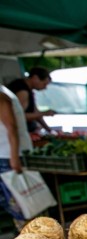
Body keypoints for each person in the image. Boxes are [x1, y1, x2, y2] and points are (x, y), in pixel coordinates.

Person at [0, 84, 36, 231]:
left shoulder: (2, 96)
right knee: (14, 199)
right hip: (7, 154)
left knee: (17, 200)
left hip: (8, 155)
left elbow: (11, 127)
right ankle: (26, 232)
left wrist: (14, 156)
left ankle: (29, 233)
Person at [5, 66, 55, 134]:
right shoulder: (23, 92)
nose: (45, 88)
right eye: (44, 84)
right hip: (18, 133)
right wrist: (45, 113)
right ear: (35, 78)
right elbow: (19, 116)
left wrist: (49, 130)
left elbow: (36, 113)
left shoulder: (28, 90)